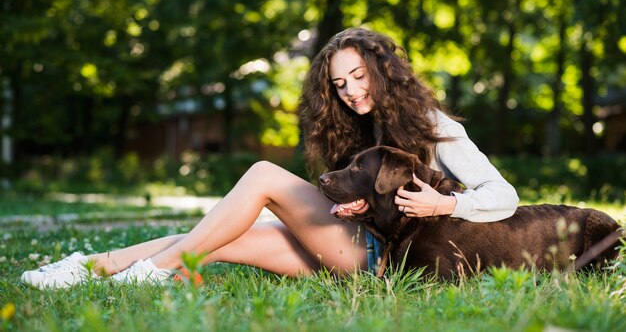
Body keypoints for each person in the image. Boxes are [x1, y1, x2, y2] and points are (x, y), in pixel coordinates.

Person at [21, 27, 519, 289]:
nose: (350, 91)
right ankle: (84, 268)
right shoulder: (360, 125)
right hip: (343, 240)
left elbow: (505, 196)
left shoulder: (434, 127)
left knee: (262, 174)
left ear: (383, 70)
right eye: (340, 84)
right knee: (209, 240)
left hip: (382, 261)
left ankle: (153, 271)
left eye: (359, 76)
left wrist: (445, 207)